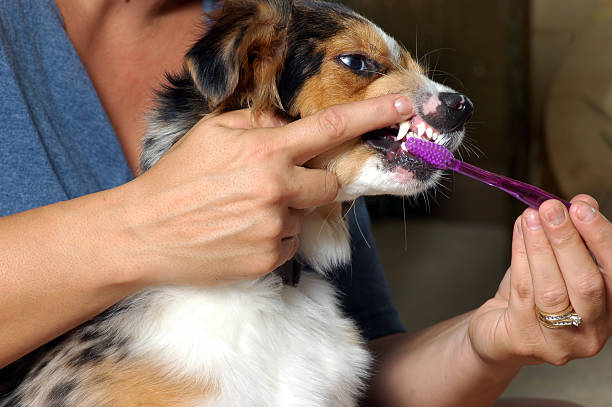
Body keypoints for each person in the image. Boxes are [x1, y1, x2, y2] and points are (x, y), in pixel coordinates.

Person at [0, 1, 610, 406]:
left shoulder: (297, 27)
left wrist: (495, 336)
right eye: (360, 66)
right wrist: (147, 232)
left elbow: (365, 377)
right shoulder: (267, 42)